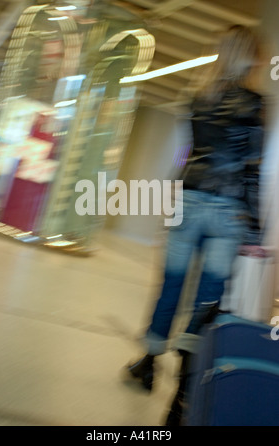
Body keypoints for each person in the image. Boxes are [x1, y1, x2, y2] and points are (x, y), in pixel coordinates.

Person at [124, 25, 266, 424]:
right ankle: (184, 393)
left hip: (188, 201)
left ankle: (148, 365)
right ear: (248, 57)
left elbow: (186, 156)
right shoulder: (255, 103)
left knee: (169, 285)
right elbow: (251, 169)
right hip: (226, 211)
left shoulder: (198, 98)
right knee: (207, 301)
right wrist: (254, 230)